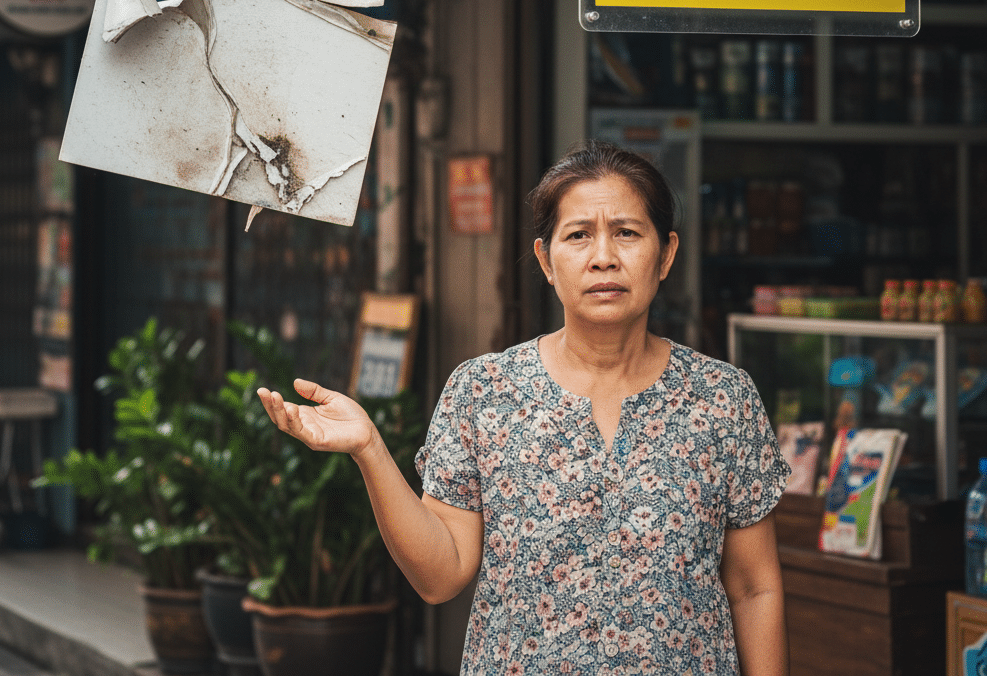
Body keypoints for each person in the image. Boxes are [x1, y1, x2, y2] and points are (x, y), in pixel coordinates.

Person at [258, 140, 790, 675]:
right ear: (546, 260)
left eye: (626, 233)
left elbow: (753, 588)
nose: (603, 256)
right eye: (578, 235)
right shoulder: (484, 392)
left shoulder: (723, 400)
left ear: (666, 254)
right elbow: (441, 575)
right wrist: (370, 450)